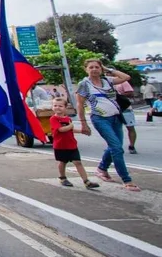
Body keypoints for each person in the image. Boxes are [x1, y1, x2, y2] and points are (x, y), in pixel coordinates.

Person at [76, 59, 140, 192]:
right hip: (100, 118)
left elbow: (126, 77)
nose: (94, 69)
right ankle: (127, 180)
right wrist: (83, 123)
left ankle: (102, 169)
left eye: (97, 67)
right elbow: (80, 104)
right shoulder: (84, 84)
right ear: (86, 69)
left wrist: (108, 69)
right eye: (91, 67)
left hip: (116, 117)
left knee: (115, 146)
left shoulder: (108, 81)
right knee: (117, 148)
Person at [50, 97, 99, 189]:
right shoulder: (54, 119)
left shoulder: (68, 119)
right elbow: (61, 129)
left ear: (65, 107)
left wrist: (81, 131)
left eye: (60, 106)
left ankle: (86, 181)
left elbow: (70, 130)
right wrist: (71, 126)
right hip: (60, 145)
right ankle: (62, 177)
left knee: (78, 162)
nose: (57, 107)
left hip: (71, 144)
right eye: (55, 105)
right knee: (63, 162)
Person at [113, 80, 137, 154]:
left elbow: (130, 92)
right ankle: (116, 147)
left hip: (125, 108)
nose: (107, 74)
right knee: (114, 129)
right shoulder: (104, 83)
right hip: (112, 109)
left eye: (109, 73)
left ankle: (132, 146)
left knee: (130, 127)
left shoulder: (122, 82)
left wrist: (118, 95)